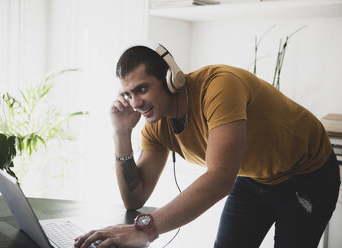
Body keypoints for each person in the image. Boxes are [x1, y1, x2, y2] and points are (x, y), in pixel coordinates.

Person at [74, 41, 341, 248]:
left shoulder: (219, 87)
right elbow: (135, 197)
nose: (134, 103)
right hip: (251, 176)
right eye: (127, 94)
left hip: (306, 175)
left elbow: (220, 179)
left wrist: (144, 230)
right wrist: (121, 134)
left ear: (172, 78)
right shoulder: (156, 124)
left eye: (142, 89)